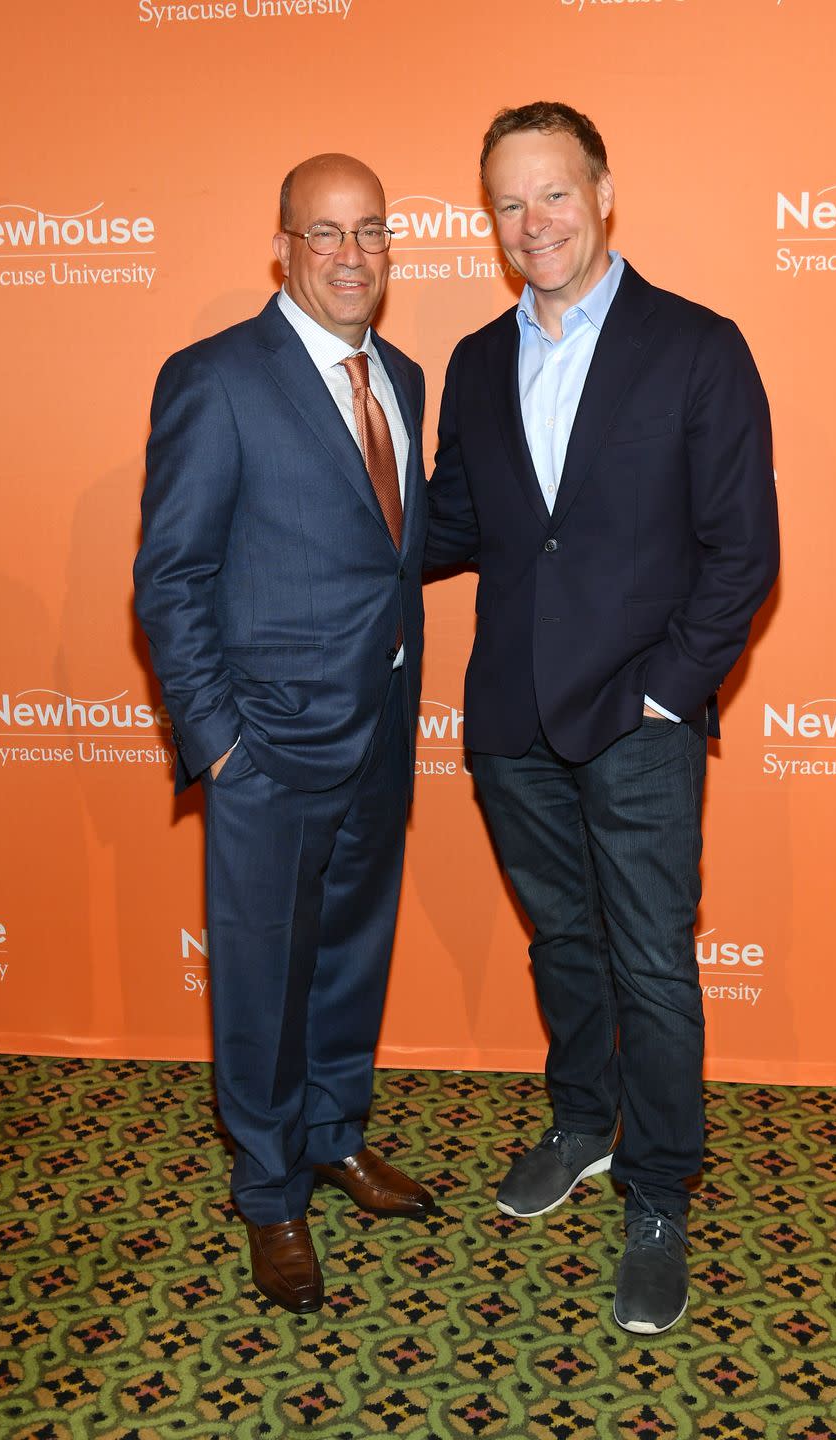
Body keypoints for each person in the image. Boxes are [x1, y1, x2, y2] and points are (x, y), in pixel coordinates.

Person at [426, 102, 779, 1335]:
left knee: (650, 962)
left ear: (605, 190)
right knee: (561, 944)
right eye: (511, 204)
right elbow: (456, 525)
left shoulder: (697, 345)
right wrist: (319, 515)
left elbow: (744, 550)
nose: (535, 224)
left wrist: (669, 691)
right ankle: (582, 1118)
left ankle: (660, 1188)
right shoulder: (474, 360)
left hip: (639, 713)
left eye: (555, 195)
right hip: (512, 712)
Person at [134, 153, 433, 1316]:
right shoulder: (215, 379)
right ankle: (269, 1193)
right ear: (284, 246)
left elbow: (386, 550)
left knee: (352, 955)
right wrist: (217, 743)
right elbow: (170, 576)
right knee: (262, 979)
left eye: (369, 232)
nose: (350, 256)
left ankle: (331, 1134)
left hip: (383, 732)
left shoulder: (401, 374)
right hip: (265, 747)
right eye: (325, 234)